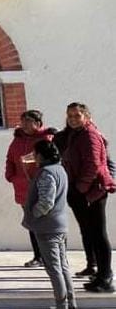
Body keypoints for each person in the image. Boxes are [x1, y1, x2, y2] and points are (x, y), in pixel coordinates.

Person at [54, 102, 115, 293]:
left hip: (92, 191)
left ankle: (106, 277)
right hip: (79, 191)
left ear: (86, 117)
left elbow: (93, 166)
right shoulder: (74, 135)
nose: (72, 119)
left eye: (77, 116)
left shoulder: (90, 135)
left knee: (98, 234)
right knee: (90, 233)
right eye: (70, 116)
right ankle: (99, 275)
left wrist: (80, 189)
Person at [23, 139, 75, 309]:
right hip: (59, 225)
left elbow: (46, 202)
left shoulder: (46, 173)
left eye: (35, 153)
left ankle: (62, 305)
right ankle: (70, 302)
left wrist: (34, 214)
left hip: (47, 227)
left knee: (54, 269)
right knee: (63, 265)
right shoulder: (60, 169)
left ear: (40, 154)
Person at [4, 109, 56, 267]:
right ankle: (38, 256)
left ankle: (52, 256)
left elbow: (54, 160)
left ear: (38, 124)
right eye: (23, 120)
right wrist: (10, 176)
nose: (24, 124)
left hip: (41, 187)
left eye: (28, 121)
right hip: (22, 188)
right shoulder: (17, 140)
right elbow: (10, 159)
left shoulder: (47, 138)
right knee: (32, 223)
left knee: (48, 222)